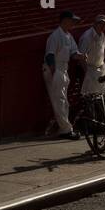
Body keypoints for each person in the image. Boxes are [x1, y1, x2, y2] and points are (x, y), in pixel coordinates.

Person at [43, 10, 83, 140]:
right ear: (65, 21)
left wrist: (81, 56)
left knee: (63, 101)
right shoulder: (55, 36)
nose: (73, 24)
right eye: (72, 21)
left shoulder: (68, 36)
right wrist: (55, 73)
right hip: (55, 69)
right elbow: (50, 55)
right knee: (59, 101)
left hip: (62, 70)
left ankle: (63, 128)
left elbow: (73, 53)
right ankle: (66, 130)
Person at [79, 14, 105, 96]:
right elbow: (81, 56)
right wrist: (87, 73)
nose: (103, 26)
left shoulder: (102, 35)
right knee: (92, 95)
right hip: (90, 69)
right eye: (101, 23)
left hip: (100, 68)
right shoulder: (87, 37)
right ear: (95, 24)